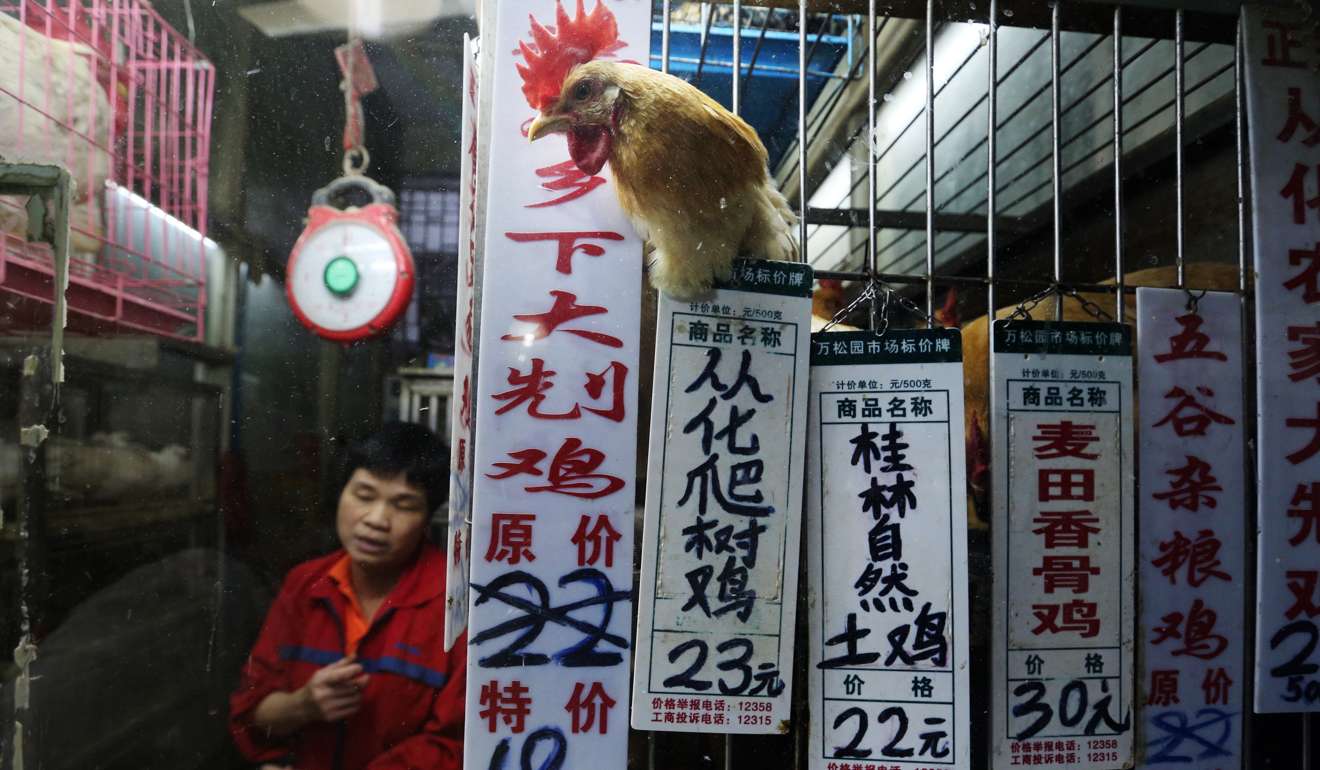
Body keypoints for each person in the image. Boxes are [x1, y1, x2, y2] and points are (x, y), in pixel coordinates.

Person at [230, 422, 465, 770]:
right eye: (364, 495)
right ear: (341, 495)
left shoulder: (454, 600)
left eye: (403, 505)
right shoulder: (305, 583)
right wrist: (303, 705)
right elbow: (250, 712)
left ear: (427, 518)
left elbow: (455, 745)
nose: (376, 520)